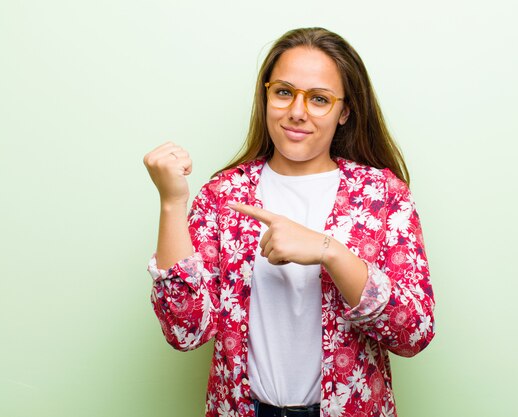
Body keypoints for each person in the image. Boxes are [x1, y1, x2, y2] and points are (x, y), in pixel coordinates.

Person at [143, 27, 435, 417]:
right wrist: (171, 203)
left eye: (319, 99)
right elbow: (185, 331)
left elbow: (413, 332)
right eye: (284, 92)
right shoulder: (224, 195)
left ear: (344, 110)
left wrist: (328, 250)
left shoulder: (382, 196)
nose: (297, 111)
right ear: (266, 96)